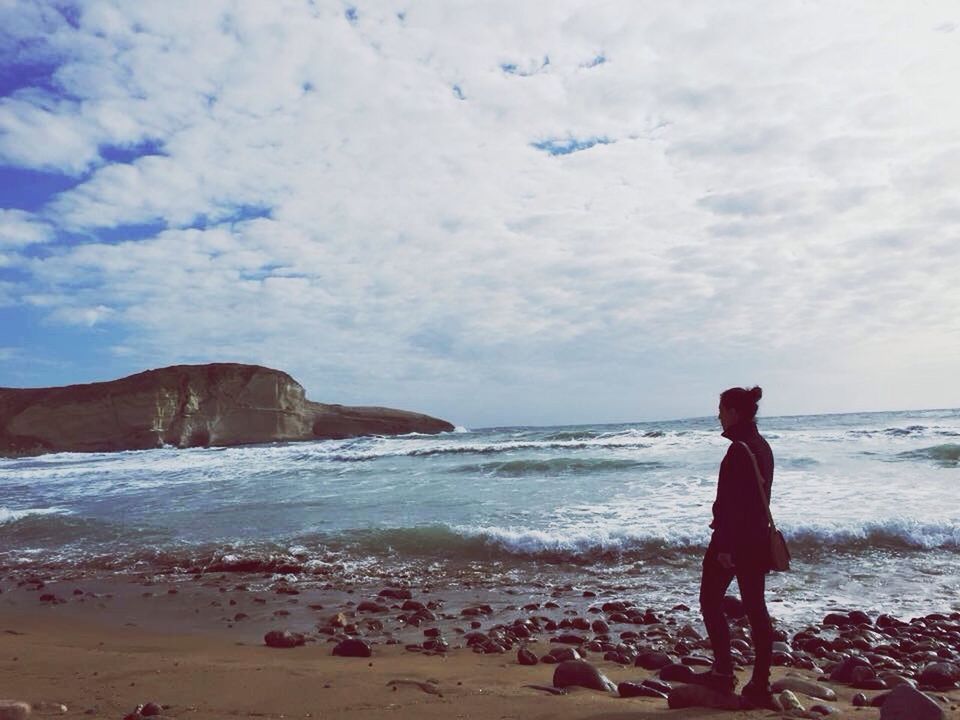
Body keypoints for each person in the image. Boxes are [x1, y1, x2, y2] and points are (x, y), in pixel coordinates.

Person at [695, 385, 776, 709]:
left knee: (709, 600)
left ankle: (724, 673)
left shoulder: (739, 450)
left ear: (733, 412)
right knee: (756, 609)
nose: (718, 415)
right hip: (756, 541)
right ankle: (759, 682)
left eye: (721, 409)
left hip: (733, 542)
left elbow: (733, 507)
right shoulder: (761, 446)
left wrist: (725, 548)